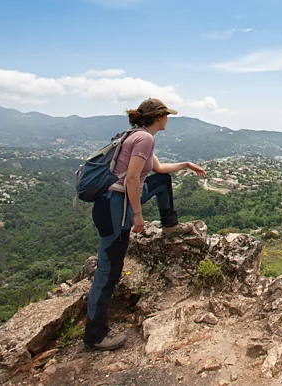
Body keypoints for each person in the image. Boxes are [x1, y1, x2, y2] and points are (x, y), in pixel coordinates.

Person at [83, 98, 206, 351]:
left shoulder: (139, 135)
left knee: (162, 181)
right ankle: (95, 336)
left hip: (117, 205)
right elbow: (130, 178)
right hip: (115, 209)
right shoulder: (144, 139)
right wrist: (138, 215)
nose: (168, 119)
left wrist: (185, 165)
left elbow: (158, 169)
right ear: (159, 116)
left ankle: (169, 225)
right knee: (108, 273)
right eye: (166, 115)